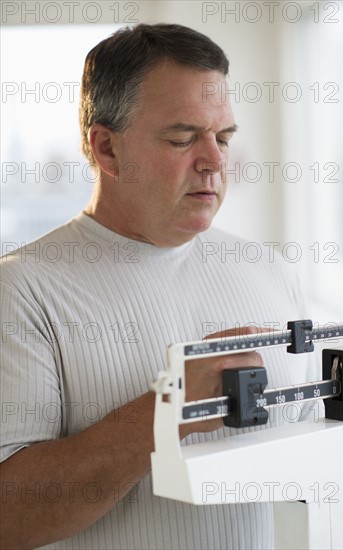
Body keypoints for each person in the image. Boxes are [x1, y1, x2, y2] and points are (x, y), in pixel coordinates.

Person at [1, 24, 319, 550]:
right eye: (182, 138)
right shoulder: (23, 292)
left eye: (223, 138)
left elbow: (319, 471)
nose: (215, 162)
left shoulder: (270, 271)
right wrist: (168, 410)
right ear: (106, 149)